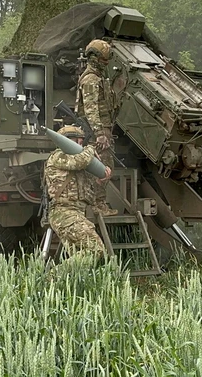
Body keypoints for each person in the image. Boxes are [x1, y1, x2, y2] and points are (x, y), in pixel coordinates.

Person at [44, 125, 112, 266]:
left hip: (76, 213)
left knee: (80, 259)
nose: (81, 146)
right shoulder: (58, 156)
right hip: (64, 213)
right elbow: (80, 160)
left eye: (82, 142)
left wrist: (99, 181)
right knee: (96, 249)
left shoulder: (77, 166)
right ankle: (53, 276)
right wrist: (90, 149)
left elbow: (87, 195)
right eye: (78, 142)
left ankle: (58, 278)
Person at [75, 39, 118, 216]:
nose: (106, 63)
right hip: (96, 132)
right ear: (95, 58)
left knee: (105, 167)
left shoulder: (98, 77)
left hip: (102, 129)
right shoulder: (91, 79)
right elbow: (91, 109)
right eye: (104, 60)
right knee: (101, 168)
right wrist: (100, 133)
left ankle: (99, 203)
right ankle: (97, 205)